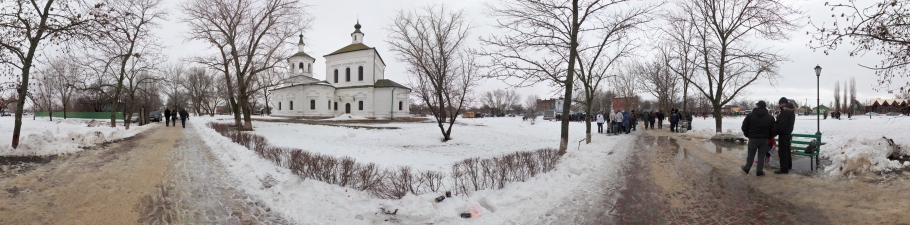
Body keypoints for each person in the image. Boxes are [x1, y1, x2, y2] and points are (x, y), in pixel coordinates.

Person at [741, 101, 777, 177]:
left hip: (753, 138)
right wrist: (768, 137)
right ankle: (759, 171)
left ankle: (747, 168)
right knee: (761, 156)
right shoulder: (770, 117)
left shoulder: (750, 116)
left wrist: (748, 135)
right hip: (764, 139)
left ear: (758, 106)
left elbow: (744, 127)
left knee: (751, 155)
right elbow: (773, 130)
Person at [775, 97, 796, 174]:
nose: (779, 105)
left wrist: (775, 132)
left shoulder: (785, 112)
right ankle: (788, 166)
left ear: (784, 103)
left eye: (780, 103)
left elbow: (781, 125)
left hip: (783, 135)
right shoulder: (791, 112)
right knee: (787, 151)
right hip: (788, 134)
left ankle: (784, 169)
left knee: (783, 152)